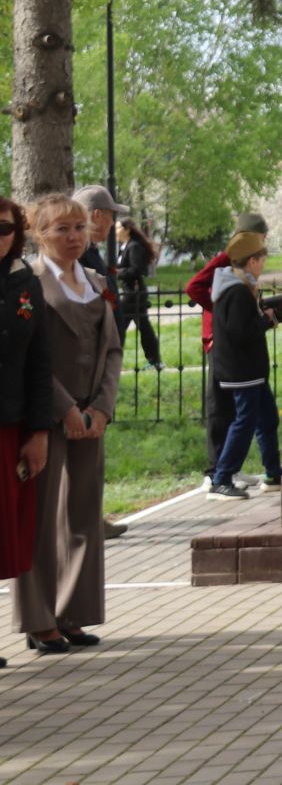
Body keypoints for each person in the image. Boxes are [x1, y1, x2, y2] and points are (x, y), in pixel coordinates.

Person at [15, 195, 122, 653]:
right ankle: (39, 622)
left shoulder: (95, 282)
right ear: (39, 235)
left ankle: (73, 613)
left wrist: (100, 407)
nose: (74, 236)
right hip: (45, 414)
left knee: (83, 515)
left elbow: (112, 350)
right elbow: (30, 357)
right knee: (39, 520)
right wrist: (65, 410)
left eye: (79, 227)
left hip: (90, 416)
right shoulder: (28, 282)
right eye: (62, 229)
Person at [0, 196, 56, 669]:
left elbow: (39, 363)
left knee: (5, 531)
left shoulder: (24, 283)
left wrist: (39, 430)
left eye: (3, 228)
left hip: (10, 423)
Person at [187, 213, 269, 488]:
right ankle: (216, 472)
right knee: (221, 408)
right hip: (220, 341)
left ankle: (230, 469)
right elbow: (194, 287)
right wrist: (220, 313)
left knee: (239, 411)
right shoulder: (228, 259)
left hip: (231, 339)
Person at [207, 231, 282, 500]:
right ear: (252, 261)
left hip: (250, 371)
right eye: (262, 259)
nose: (264, 264)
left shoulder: (239, 286)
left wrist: (268, 315)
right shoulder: (237, 291)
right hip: (243, 371)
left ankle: (273, 472)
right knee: (245, 421)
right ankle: (221, 478)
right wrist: (266, 321)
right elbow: (239, 332)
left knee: (267, 418)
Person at [114, 219, 163, 373]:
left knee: (119, 326)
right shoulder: (123, 246)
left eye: (117, 228)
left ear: (127, 229)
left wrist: (116, 273)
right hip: (129, 292)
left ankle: (113, 362)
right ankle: (155, 361)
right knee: (143, 327)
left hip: (135, 293)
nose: (114, 232)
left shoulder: (134, 246)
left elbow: (137, 269)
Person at [70, 184, 127, 291]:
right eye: (111, 216)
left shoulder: (88, 252)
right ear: (97, 215)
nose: (112, 223)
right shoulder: (79, 256)